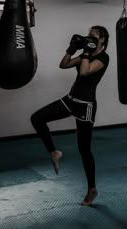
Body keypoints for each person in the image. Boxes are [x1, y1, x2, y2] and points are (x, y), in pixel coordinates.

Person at [31, 26, 109, 206]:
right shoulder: (85, 53)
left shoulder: (103, 57)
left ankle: (92, 189)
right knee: (37, 118)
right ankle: (54, 152)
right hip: (70, 100)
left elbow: (84, 72)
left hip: (85, 106)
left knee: (84, 149)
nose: (89, 37)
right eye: (88, 35)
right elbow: (64, 64)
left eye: (93, 36)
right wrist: (71, 49)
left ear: (102, 40)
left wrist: (87, 53)